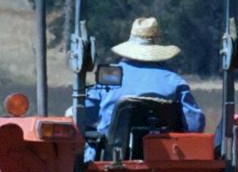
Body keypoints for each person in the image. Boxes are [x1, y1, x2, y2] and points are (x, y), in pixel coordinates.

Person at [81, 17, 206, 149]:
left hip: (110, 159)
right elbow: (195, 125)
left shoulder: (110, 76)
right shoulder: (174, 82)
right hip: (164, 160)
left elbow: (83, 116)